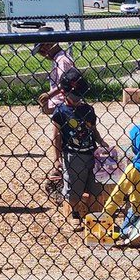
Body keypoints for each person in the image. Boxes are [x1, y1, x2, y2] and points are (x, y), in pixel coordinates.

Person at [49, 70, 107, 220]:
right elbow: (56, 137)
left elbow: (93, 129)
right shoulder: (61, 112)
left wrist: (101, 141)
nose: (77, 99)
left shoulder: (88, 110)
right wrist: (56, 159)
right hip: (73, 155)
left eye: (80, 96)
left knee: (95, 187)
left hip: (92, 153)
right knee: (74, 189)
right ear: (63, 92)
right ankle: (75, 215)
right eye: (74, 96)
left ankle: (94, 216)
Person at [35, 41, 78, 112]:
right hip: (58, 101)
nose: (43, 56)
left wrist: (49, 94)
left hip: (64, 102)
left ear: (47, 46)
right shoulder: (57, 58)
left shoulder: (62, 60)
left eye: (42, 52)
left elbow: (67, 83)